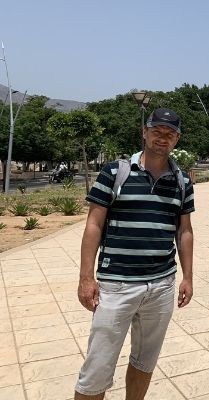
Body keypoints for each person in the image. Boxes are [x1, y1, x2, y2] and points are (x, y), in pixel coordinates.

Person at [74, 108, 195, 400]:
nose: (162, 139)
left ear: (176, 139)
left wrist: (188, 277)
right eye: (156, 132)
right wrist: (85, 277)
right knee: (97, 367)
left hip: (161, 285)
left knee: (145, 360)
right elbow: (93, 224)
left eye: (169, 134)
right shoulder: (115, 172)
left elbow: (185, 231)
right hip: (117, 285)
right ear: (145, 132)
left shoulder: (182, 182)